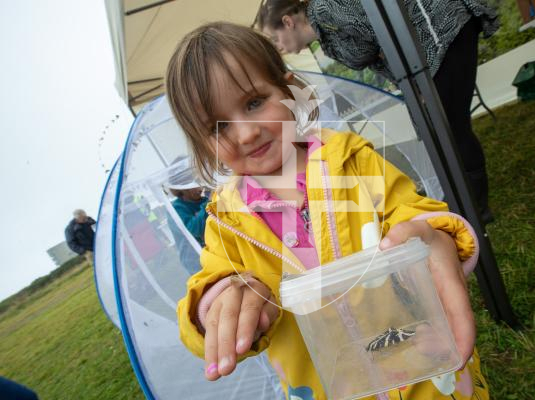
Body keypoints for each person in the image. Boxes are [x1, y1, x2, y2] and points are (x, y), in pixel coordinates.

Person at [166, 22, 488, 399]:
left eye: (254, 103)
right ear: (202, 146)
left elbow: (414, 213)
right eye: (218, 128)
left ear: (290, 91)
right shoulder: (225, 224)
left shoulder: (353, 161)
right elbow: (213, 278)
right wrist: (218, 305)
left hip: (427, 378)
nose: (246, 133)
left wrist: (430, 237)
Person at [257, 0, 498, 224]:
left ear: (288, 22)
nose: (276, 46)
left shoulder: (325, 10)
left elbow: (379, 29)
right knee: (432, 129)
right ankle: (458, 198)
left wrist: (416, 78)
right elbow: (376, 53)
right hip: (421, 58)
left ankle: (475, 208)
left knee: (450, 127)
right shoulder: (325, 34)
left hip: (441, 34)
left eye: (273, 38)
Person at [166, 162, 211, 274]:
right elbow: (194, 229)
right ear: (182, 187)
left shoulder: (203, 200)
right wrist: (209, 203)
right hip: (196, 262)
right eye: (194, 182)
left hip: (214, 253)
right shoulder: (176, 209)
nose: (200, 186)